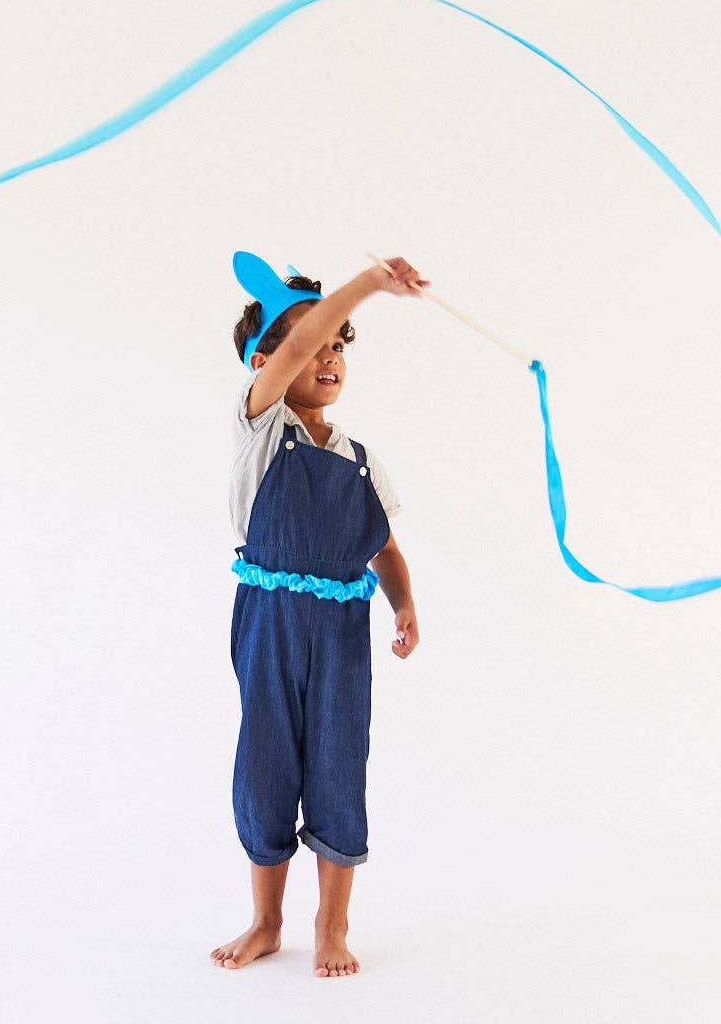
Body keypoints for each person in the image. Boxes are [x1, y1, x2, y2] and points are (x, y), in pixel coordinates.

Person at [210, 256, 427, 977]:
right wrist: (367, 284)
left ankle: (331, 925)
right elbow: (298, 345)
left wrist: (404, 604)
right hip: (270, 624)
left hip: (341, 636)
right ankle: (266, 920)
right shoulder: (261, 427)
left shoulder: (360, 459)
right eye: (314, 339)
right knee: (265, 765)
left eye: (340, 342)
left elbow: (384, 546)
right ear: (263, 361)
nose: (328, 352)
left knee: (339, 765)